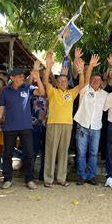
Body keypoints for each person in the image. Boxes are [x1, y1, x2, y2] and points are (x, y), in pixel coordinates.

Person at [0, 61, 45, 190]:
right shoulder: (5, 91)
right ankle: (7, 179)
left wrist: (36, 77)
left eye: (22, 76)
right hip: (9, 127)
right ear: (12, 78)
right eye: (19, 76)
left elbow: (41, 92)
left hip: (26, 127)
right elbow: (1, 109)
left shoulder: (27, 88)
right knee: (7, 154)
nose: (22, 78)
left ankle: (29, 179)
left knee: (29, 154)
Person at [42, 49, 85, 188]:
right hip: (53, 124)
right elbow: (44, 80)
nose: (62, 83)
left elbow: (82, 85)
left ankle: (61, 178)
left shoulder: (71, 93)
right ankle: (48, 179)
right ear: (57, 83)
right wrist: (48, 66)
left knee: (63, 153)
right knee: (51, 152)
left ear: (67, 82)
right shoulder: (53, 91)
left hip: (67, 125)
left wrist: (81, 71)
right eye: (59, 81)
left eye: (64, 81)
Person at [74, 54, 107, 186]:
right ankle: (81, 176)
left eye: (98, 80)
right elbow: (86, 79)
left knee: (93, 153)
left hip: (96, 128)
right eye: (93, 79)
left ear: (101, 82)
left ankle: (91, 176)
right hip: (82, 125)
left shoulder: (104, 95)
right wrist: (91, 66)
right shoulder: (85, 90)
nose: (95, 81)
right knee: (81, 153)